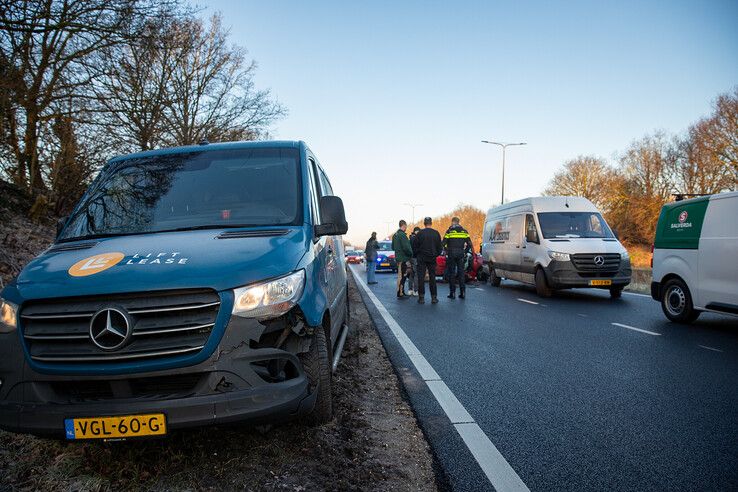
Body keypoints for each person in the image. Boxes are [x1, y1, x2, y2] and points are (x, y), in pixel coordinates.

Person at [414, 217, 443, 304]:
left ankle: (421, 297)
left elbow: (415, 247)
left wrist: (418, 254)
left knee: (421, 277)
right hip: (432, 257)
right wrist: (435, 254)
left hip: (422, 258)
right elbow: (440, 247)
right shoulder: (436, 233)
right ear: (431, 223)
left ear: (424, 223)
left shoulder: (420, 234)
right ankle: (434, 297)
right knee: (432, 277)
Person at [443, 216, 473, 299]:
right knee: (461, 273)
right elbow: (470, 244)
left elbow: (443, 243)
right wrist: (465, 252)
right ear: (458, 222)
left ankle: (452, 293)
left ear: (453, 222)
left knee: (452, 273)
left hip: (451, 253)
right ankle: (462, 293)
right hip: (460, 253)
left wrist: (446, 250)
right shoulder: (464, 232)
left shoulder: (449, 231)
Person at [391, 220, 413, 299]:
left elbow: (393, 247)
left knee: (401, 275)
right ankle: (400, 292)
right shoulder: (402, 235)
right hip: (403, 258)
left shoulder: (395, 235)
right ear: (404, 226)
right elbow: (406, 247)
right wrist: (411, 253)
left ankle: (401, 291)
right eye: (406, 226)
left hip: (398, 258)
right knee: (402, 276)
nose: (406, 228)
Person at [407, 226, 421, 295]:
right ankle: (416, 290)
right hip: (415, 258)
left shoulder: (410, 238)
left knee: (411, 274)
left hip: (410, 258)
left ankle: (410, 290)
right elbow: (418, 249)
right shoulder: (417, 238)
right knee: (416, 274)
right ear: (417, 231)